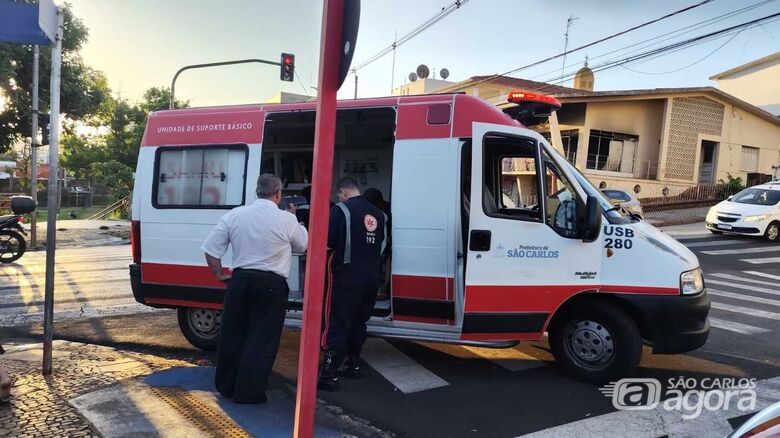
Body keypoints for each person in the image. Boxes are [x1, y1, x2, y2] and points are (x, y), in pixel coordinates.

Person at [202, 173, 308, 404]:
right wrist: (295, 219)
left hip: (240, 281)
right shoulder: (286, 219)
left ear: (256, 192)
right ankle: (249, 392)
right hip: (271, 284)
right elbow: (302, 246)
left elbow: (211, 250)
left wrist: (220, 274)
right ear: (278, 194)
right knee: (262, 339)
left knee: (232, 334)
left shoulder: (235, 215)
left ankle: (227, 386)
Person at [318, 177, 386, 391]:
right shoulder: (380, 215)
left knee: (337, 321)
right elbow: (382, 247)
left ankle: (329, 374)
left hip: (346, 277)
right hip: (371, 277)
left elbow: (328, 243)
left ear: (342, 192)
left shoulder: (341, 210)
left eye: (339, 195)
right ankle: (352, 364)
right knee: (359, 322)